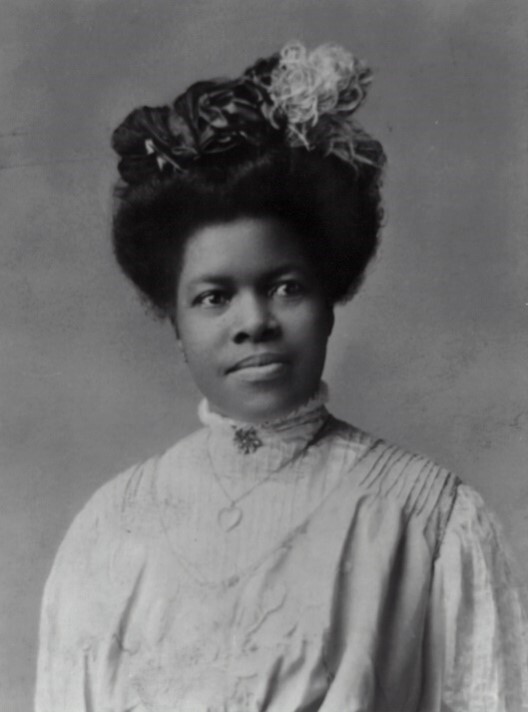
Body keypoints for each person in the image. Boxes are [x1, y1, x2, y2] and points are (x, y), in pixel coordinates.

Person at [35, 41, 528, 712]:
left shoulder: (431, 522)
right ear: (175, 321)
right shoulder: (111, 531)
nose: (254, 322)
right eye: (213, 297)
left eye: (286, 287)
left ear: (331, 297)